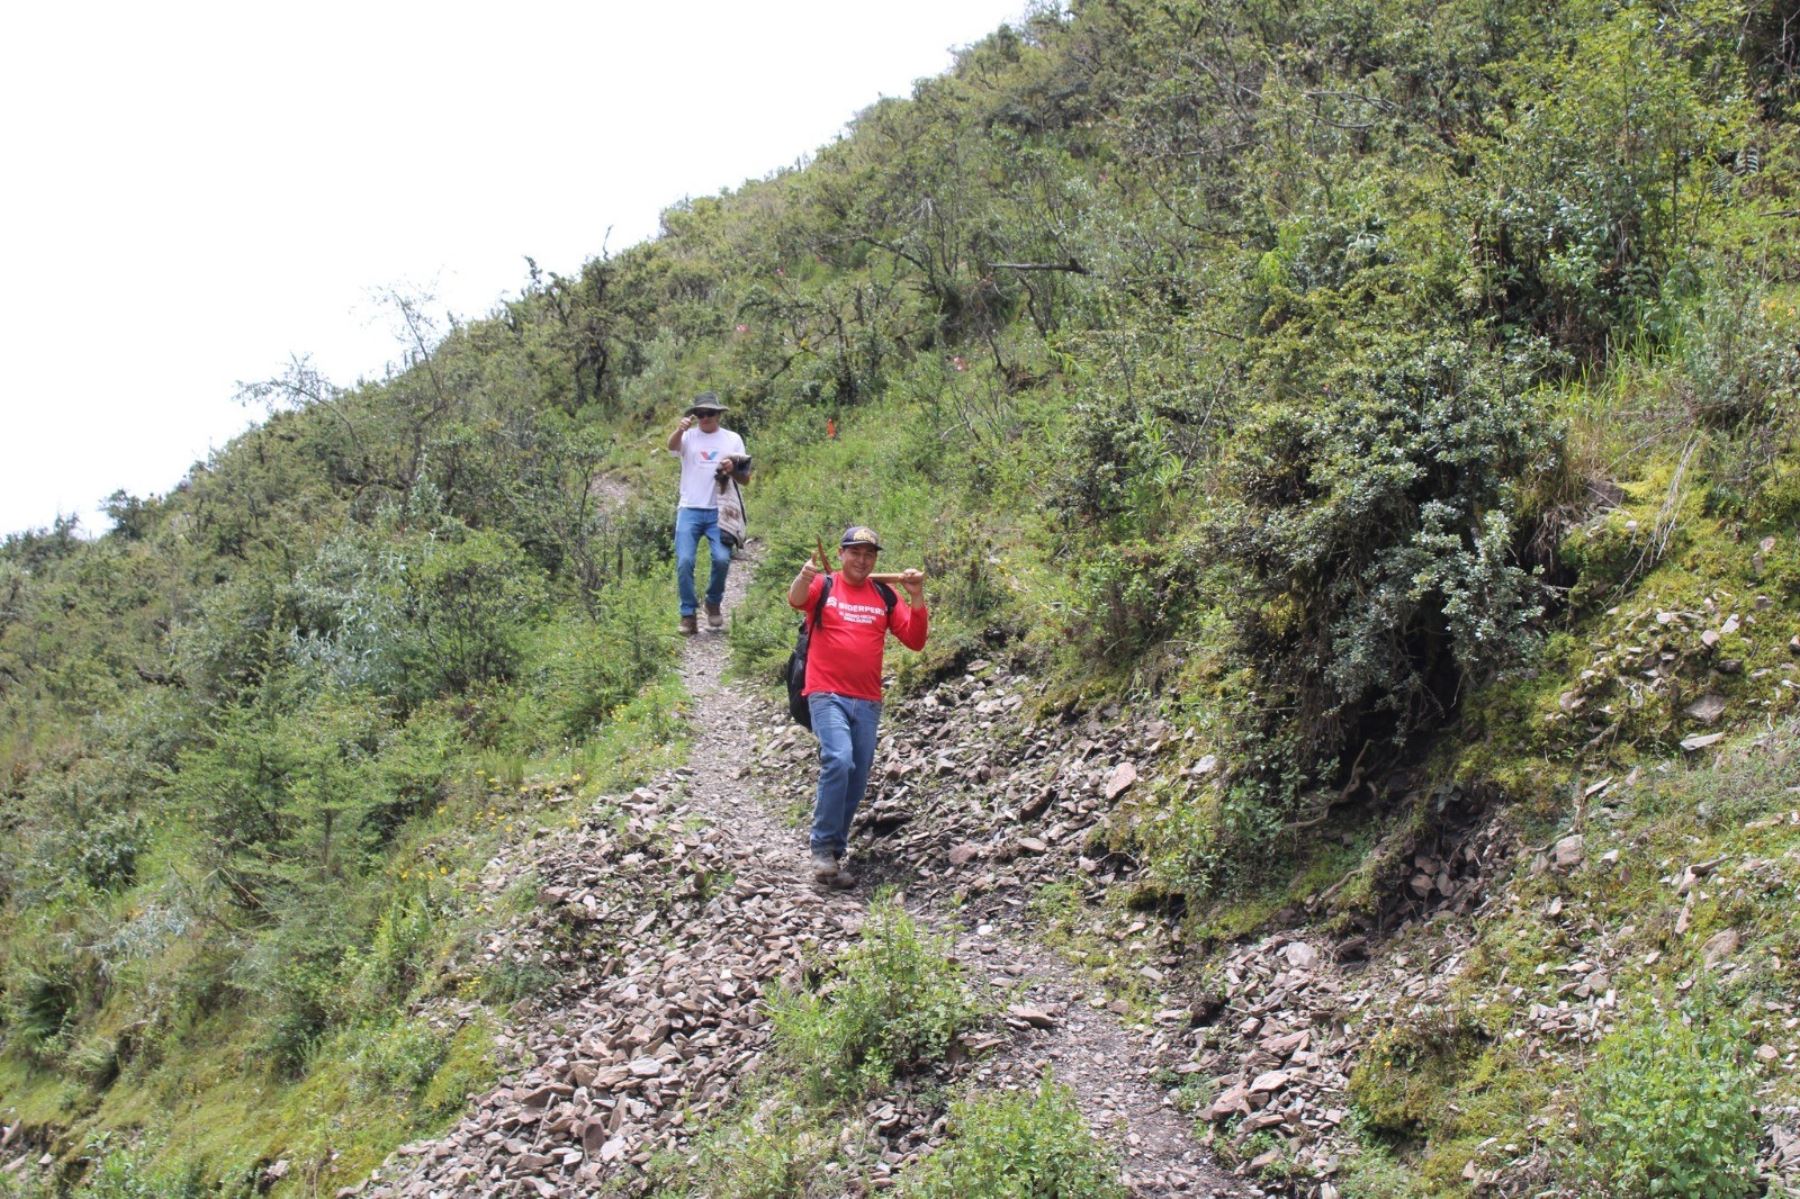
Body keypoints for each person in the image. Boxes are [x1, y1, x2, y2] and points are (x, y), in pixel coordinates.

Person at [786, 525, 927, 887]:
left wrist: (916, 596)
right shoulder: (825, 585)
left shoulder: (884, 594)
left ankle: (833, 853)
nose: (862, 560)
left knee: (857, 775)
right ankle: (821, 846)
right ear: (842, 554)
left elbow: (914, 640)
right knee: (839, 759)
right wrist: (804, 577)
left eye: (869, 554)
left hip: (867, 700)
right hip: (825, 692)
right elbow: (796, 599)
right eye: (855, 553)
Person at [666, 393, 750, 634]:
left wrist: (732, 469)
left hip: (720, 511)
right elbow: (671, 447)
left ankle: (713, 602)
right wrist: (679, 429)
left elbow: (745, 478)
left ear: (718, 414)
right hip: (689, 508)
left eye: (709, 413)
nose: (705, 418)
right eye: (700, 414)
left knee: (722, 559)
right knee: (684, 562)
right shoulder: (688, 436)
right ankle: (688, 615)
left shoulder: (732, 439)